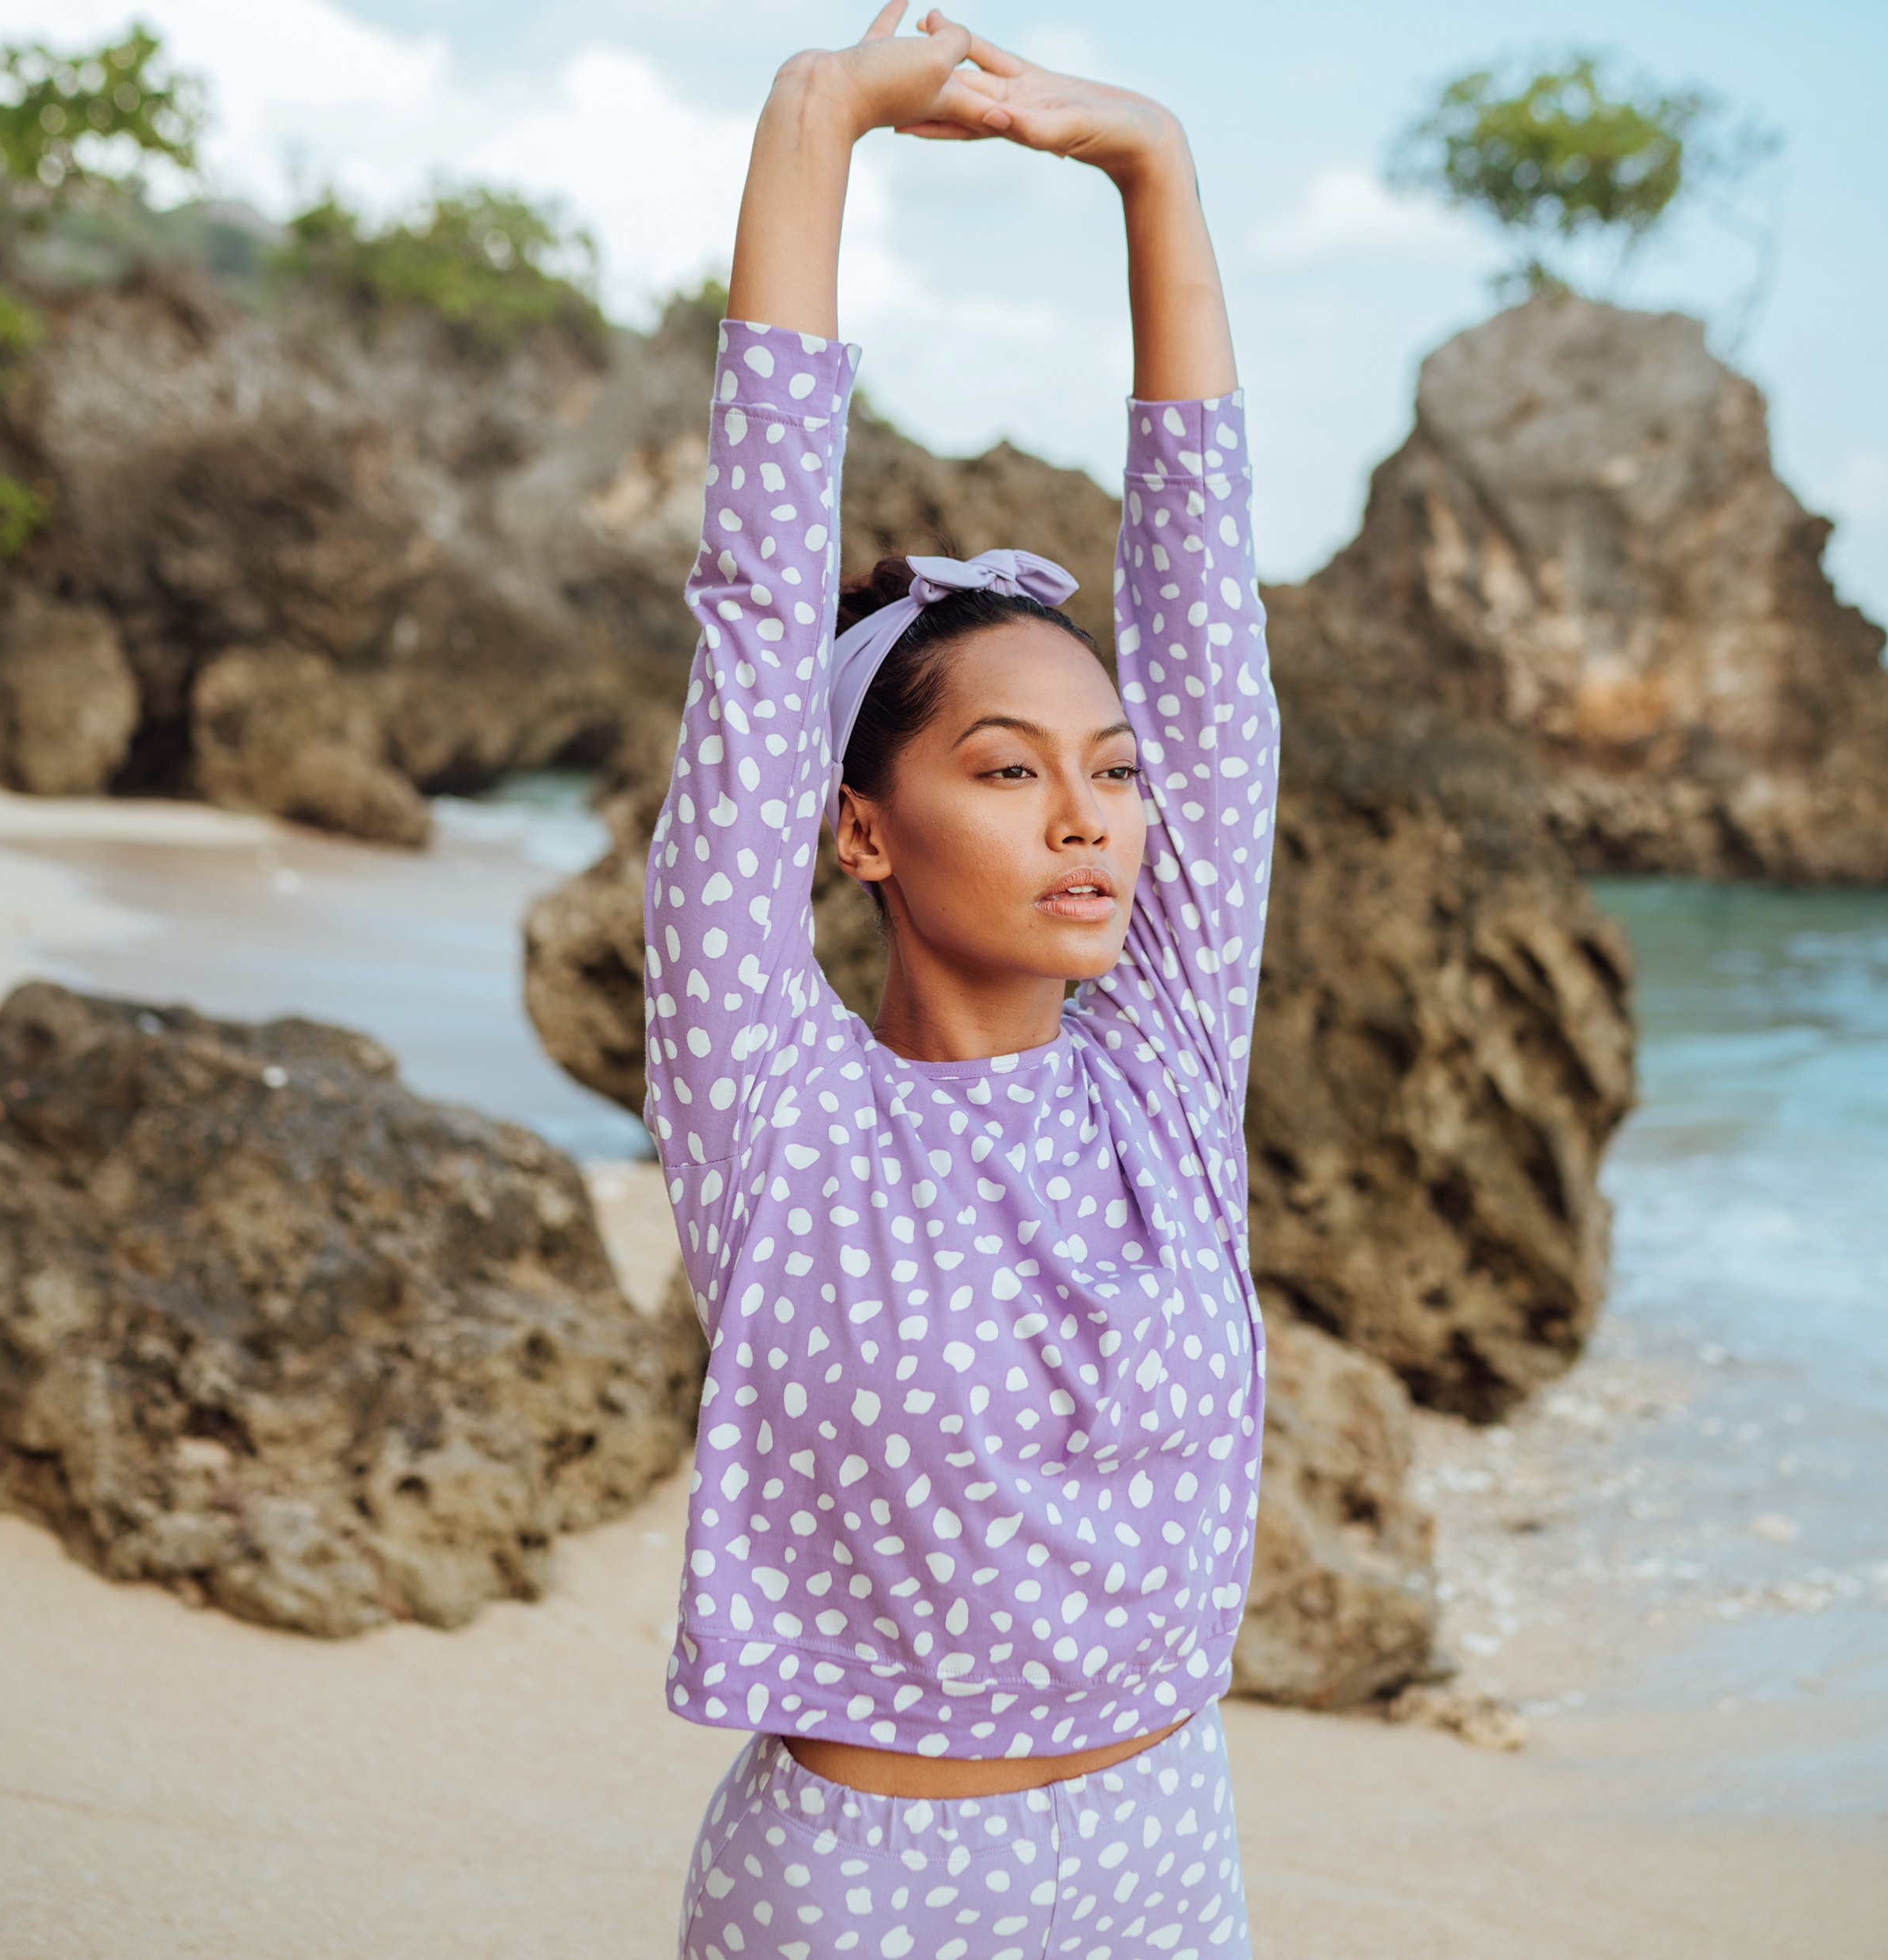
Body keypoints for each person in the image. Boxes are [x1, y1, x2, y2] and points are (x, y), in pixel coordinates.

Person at [648, 7, 1277, 1954]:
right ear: (859, 828)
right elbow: (755, 617)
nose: (1084, 817)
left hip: (1161, 1861)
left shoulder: (1164, 1064)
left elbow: (1204, 626)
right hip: (852, 1899)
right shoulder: (774, 1103)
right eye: (1004, 771)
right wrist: (814, 121)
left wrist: (1152, 170)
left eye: (1109, 773)